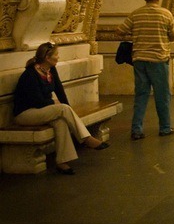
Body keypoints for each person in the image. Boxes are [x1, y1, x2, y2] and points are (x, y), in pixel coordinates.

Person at [13, 42, 109, 174]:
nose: (58, 57)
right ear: (47, 58)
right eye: (56, 54)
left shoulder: (51, 70)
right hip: (25, 114)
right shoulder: (30, 74)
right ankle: (86, 139)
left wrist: (67, 107)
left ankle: (62, 161)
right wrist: (56, 104)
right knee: (62, 109)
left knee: (60, 122)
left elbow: (59, 90)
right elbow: (37, 101)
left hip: (42, 110)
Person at [117, 0, 174, 140]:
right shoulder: (166, 14)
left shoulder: (136, 14)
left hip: (139, 60)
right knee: (162, 95)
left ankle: (136, 129)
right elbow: (173, 36)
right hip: (158, 60)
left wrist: (136, 35)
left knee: (141, 95)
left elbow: (120, 31)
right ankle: (165, 127)